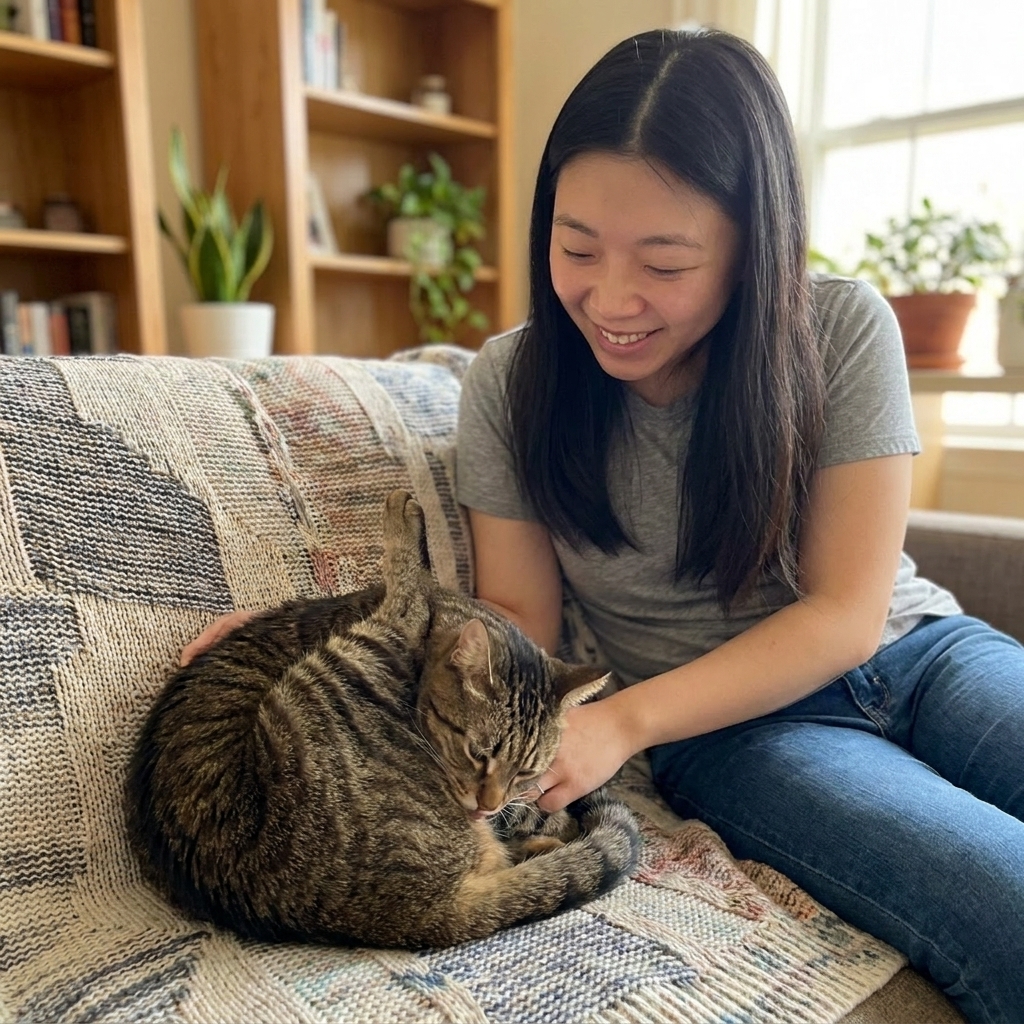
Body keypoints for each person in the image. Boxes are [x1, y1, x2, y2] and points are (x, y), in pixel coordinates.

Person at [181, 29, 1024, 1021]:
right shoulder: (513, 382)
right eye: (577, 247)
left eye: (663, 263)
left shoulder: (840, 328)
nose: (611, 300)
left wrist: (613, 722)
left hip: (921, 652)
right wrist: (307, 638)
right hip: (738, 732)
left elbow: (847, 613)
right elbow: (510, 617)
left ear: (753, 245)